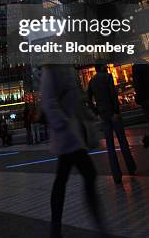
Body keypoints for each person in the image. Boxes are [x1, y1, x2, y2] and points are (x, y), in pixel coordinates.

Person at [42, 64, 110, 238]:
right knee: (88, 174)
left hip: (72, 133)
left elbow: (76, 100)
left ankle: (56, 229)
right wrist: (63, 124)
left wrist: (87, 116)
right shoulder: (51, 70)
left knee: (63, 179)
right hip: (66, 134)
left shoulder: (67, 69)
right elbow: (49, 101)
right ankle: (99, 225)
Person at [88, 64, 136, 183]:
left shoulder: (92, 81)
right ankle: (131, 167)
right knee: (122, 141)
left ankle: (116, 175)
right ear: (102, 68)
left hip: (103, 114)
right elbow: (113, 94)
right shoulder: (108, 77)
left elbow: (88, 98)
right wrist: (116, 111)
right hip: (112, 112)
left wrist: (96, 111)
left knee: (110, 146)